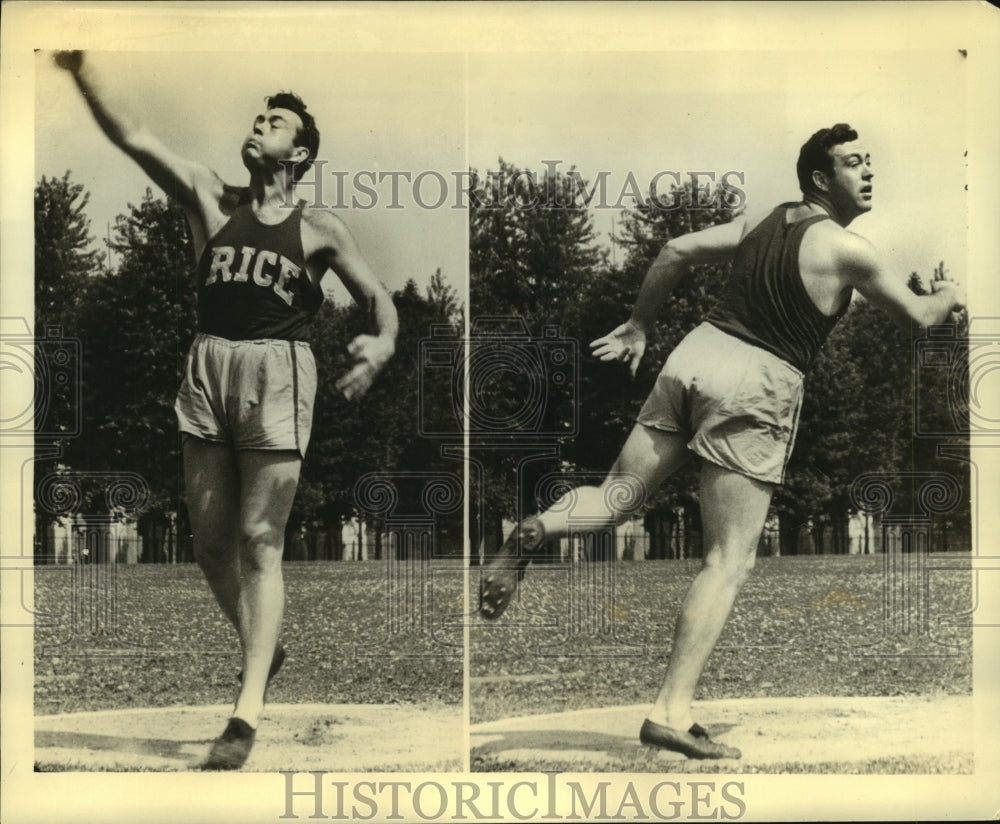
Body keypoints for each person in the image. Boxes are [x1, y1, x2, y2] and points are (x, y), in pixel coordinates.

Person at [479, 124, 965, 759]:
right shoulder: (851, 250)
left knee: (613, 499)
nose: (867, 173)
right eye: (853, 164)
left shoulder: (764, 223)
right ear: (821, 179)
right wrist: (951, 294)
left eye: (868, 163)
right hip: (755, 381)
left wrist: (637, 325)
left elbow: (676, 249)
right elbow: (921, 318)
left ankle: (535, 528)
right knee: (727, 560)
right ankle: (670, 714)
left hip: (692, 358)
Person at [55, 51, 398, 769]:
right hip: (208, 364)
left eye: (274, 121)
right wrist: (81, 70)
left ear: (298, 151)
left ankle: (243, 717)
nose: (259, 123)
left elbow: (379, 301)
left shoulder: (319, 227)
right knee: (209, 544)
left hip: (280, 372)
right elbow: (136, 136)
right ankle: (263, 650)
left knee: (258, 542)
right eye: (257, 116)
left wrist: (384, 342)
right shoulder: (210, 197)